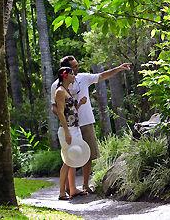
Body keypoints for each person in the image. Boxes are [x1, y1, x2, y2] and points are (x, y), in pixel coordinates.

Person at [51, 56, 131, 193]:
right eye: (74, 67)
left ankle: (85, 185)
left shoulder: (83, 77)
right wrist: (64, 116)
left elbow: (102, 76)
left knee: (87, 154)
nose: (77, 68)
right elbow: (54, 107)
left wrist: (118, 68)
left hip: (86, 121)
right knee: (71, 156)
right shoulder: (57, 86)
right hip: (70, 126)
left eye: (77, 65)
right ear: (66, 69)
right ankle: (71, 189)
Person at [54, 67, 89, 200]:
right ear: (65, 75)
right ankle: (62, 192)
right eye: (72, 73)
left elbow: (71, 111)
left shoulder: (67, 90)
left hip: (75, 128)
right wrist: (67, 131)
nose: (74, 75)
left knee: (71, 159)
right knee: (67, 160)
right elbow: (60, 113)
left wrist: (79, 103)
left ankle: (70, 191)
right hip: (67, 130)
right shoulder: (60, 92)